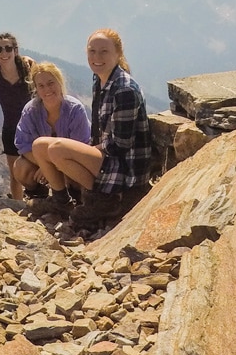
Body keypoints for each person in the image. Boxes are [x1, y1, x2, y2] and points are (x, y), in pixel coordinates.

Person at [36, 28, 152, 226]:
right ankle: (61, 202)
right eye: (92, 51)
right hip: (108, 158)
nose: (97, 57)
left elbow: (121, 145)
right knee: (40, 145)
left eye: (104, 51)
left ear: (118, 53)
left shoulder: (124, 89)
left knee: (56, 149)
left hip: (125, 169)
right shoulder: (101, 80)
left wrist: (87, 151)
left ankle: (105, 200)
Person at [13, 62, 91, 210]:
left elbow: (82, 147)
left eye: (51, 83)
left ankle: (77, 198)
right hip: (43, 160)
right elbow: (23, 144)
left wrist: (50, 166)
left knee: (74, 173)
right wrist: (44, 164)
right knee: (20, 168)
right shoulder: (31, 111)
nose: (47, 89)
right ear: (36, 88)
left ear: (59, 83)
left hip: (72, 161)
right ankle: (42, 196)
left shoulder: (75, 110)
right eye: (41, 86)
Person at [0, 31, 36, 200]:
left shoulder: (28, 68)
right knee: (15, 174)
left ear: (15, 50)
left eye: (8, 48)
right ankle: (18, 204)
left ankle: (40, 201)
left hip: (33, 128)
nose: (4, 53)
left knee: (38, 168)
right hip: (11, 129)